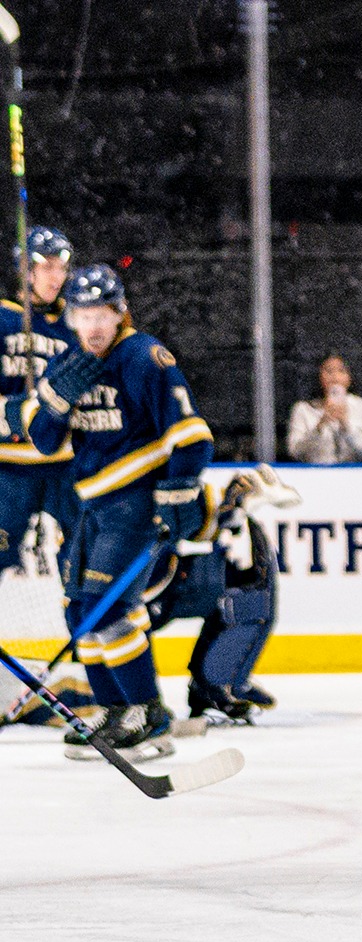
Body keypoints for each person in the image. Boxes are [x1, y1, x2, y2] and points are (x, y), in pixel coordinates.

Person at [19, 264, 213, 761]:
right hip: (92, 504)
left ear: (120, 312)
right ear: (71, 318)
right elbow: (43, 441)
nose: (93, 325)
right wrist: (57, 403)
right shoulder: (70, 362)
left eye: (102, 314)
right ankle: (112, 711)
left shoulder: (144, 356)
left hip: (135, 502)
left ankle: (147, 714)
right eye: (83, 315)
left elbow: (192, 434)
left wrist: (178, 490)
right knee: (79, 611)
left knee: (107, 608)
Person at [145, 465, 302, 725]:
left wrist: (229, 508)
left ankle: (213, 685)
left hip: (147, 581)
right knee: (249, 597)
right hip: (133, 587)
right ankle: (131, 701)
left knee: (246, 592)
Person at [0, 226, 80, 572]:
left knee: (82, 558)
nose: (56, 276)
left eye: (61, 268)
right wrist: (13, 412)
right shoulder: (3, 318)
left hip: (63, 463)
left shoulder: (74, 324)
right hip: (9, 465)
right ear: (25, 270)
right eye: (47, 267)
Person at [286, 354, 362, 463]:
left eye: (341, 371)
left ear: (350, 377)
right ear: (319, 376)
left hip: (354, 472)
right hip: (316, 471)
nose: (335, 377)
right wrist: (319, 426)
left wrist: (346, 427)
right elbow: (294, 452)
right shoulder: (303, 409)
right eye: (329, 371)